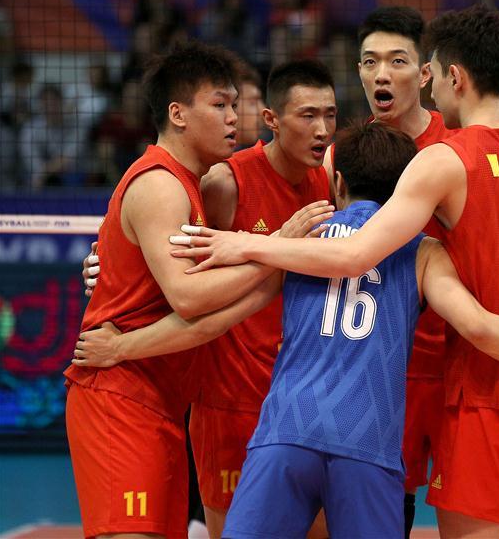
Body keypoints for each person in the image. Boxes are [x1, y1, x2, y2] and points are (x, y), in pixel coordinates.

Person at [170, 4, 499, 538]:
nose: (429, 92)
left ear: (455, 77)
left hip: (484, 397)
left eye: (432, 75)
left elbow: (353, 255)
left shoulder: (447, 159)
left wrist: (247, 244)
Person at [75, 59, 335, 538]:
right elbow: (190, 296)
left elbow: (210, 312)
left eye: (235, 104)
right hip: (125, 395)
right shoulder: (166, 184)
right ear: (178, 113)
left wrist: (279, 260)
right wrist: (280, 248)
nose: (235, 116)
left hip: (169, 393)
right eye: (220, 105)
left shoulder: (187, 183)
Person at [334, 5, 454, 536]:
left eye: (397, 61)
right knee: (387, 510)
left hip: (458, 361)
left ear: (424, 74)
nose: (381, 74)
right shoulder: (343, 153)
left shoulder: (460, 146)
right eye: (369, 62)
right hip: (379, 367)